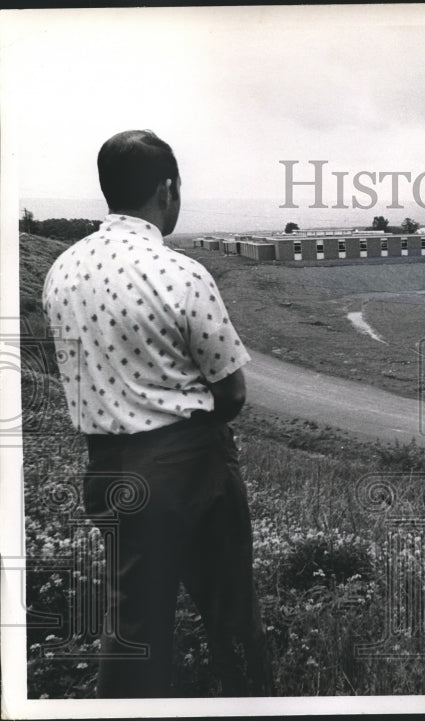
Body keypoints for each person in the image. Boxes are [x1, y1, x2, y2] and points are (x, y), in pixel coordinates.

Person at [42, 130, 273, 697]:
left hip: (107, 468)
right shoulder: (181, 273)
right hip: (189, 461)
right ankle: (247, 698)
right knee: (229, 606)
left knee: (135, 624)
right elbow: (234, 392)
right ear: (168, 189)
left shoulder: (61, 272)